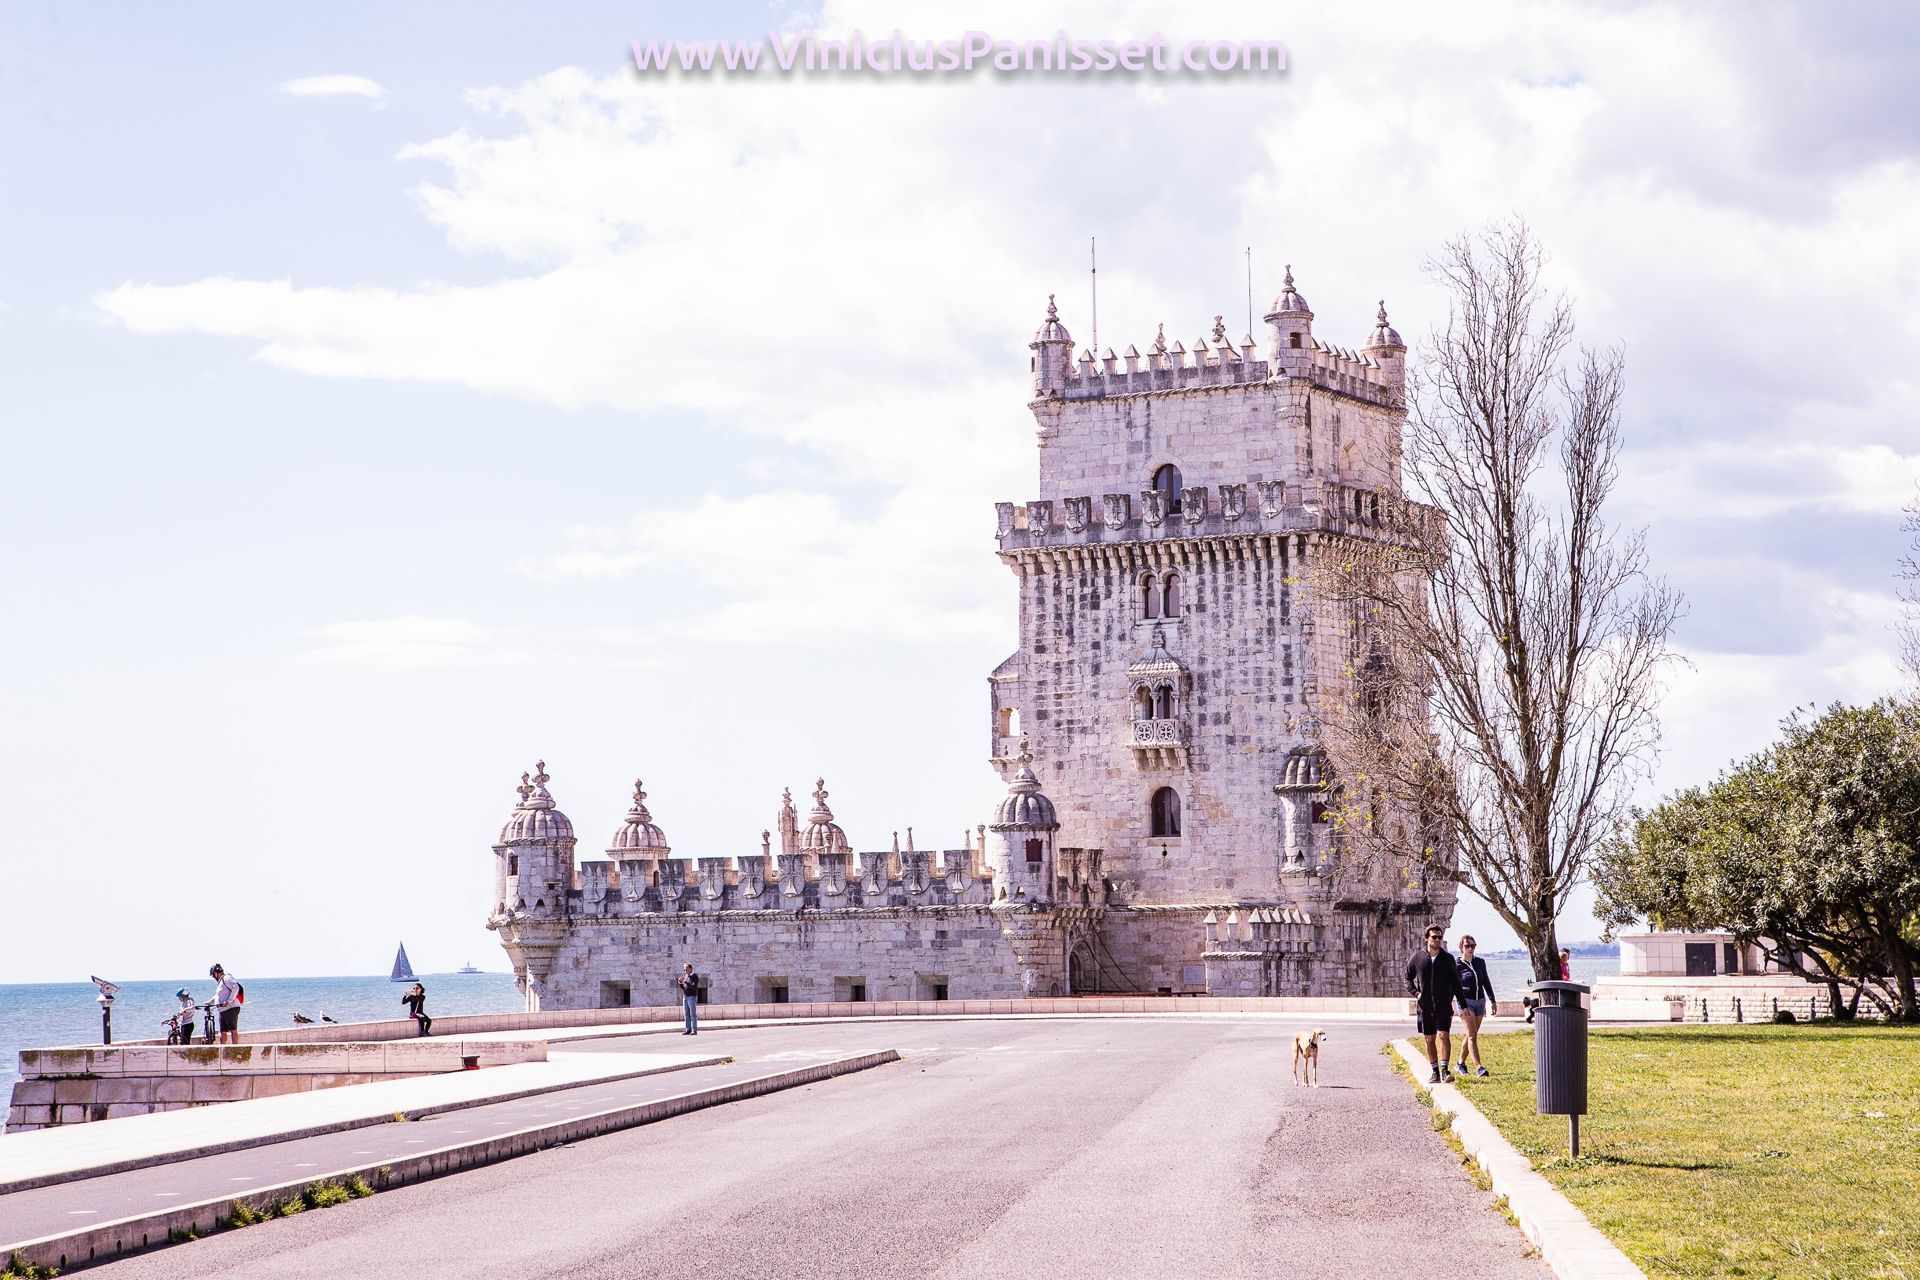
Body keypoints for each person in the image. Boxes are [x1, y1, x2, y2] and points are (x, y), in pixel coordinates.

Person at [1406, 925, 1462, 1084]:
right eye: (1434, 937)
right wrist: (1417, 993)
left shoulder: (1448, 959)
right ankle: (1435, 1072)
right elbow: (1407, 978)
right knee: (1429, 1039)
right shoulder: (1418, 957)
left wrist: (1463, 1005)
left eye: (1440, 937)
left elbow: (1456, 983)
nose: (1438, 940)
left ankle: (1445, 1070)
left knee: (1443, 1035)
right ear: (1426, 938)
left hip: (1443, 1005)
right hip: (1425, 1007)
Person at [1453, 936, 1498, 1077]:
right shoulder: (1456, 964)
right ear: (1461, 947)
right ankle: (1479, 1067)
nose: (1471, 949)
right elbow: (1453, 986)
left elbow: (1486, 981)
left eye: (1473, 946)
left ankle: (1460, 1063)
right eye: (1467, 946)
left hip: (1480, 1001)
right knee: (1472, 1036)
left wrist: (1492, 1000)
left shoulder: (1480, 962)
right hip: (1465, 1002)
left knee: (1471, 1034)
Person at [209, 964, 242, 1044]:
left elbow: (235, 987)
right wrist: (208, 1003)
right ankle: (222, 1049)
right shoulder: (220, 983)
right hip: (222, 1010)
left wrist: (228, 1001)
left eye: (213, 975)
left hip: (231, 1008)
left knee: (233, 1030)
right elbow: (218, 996)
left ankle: (235, 1049)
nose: (213, 977)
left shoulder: (226, 978)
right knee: (223, 1031)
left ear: (216, 973)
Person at [678, 963, 701, 1035]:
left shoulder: (695, 977)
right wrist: (680, 983)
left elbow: (693, 986)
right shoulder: (686, 976)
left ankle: (694, 1030)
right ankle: (688, 1029)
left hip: (692, 997)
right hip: (685, 996)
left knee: (692, 1014)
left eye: (686, 969)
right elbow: (684, 988)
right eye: (684, 970)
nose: (685, 971)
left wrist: (685, 982)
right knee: (686, 1014)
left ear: (691, 969)